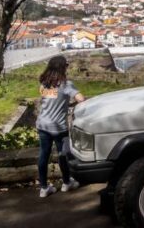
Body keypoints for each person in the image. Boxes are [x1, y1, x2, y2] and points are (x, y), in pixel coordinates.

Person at [36, 55, 86, 198]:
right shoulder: (66, 85)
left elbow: (50, 101)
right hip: (59, 127)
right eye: (66, 65)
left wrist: (65, 104)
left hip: (43, 125)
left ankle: (44, 188)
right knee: (63, 155)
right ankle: (66, 182)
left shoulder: (44, 84)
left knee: (43, 155)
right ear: (62, 67)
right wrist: (74, 104)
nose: (67, 68)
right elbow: (81, 99)